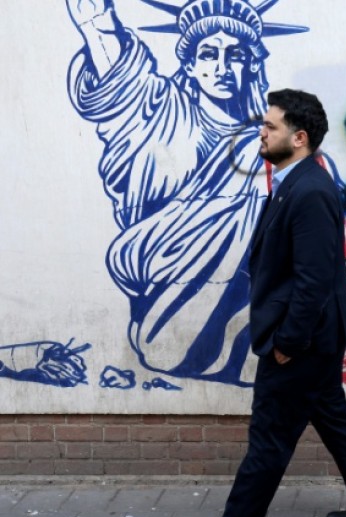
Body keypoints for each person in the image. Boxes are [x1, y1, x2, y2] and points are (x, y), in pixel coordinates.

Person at [65, 0, 308, 385]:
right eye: (209, 54)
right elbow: (122, 80)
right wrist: (98, 24)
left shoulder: (268, 140)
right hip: (158, 276)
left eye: (236, 56)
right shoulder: (158, 112)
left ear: (252, 66)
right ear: (190, 64)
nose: (223, 68)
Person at [217, 89, 346, 517]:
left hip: (301, 341)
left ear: (298, 138)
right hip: (311, 338)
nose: (261, 132)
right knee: (332, 415)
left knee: (269, 439)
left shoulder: (310, 191)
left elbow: (314, 279)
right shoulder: (294, 183)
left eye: (271, 126)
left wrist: (288, 343)